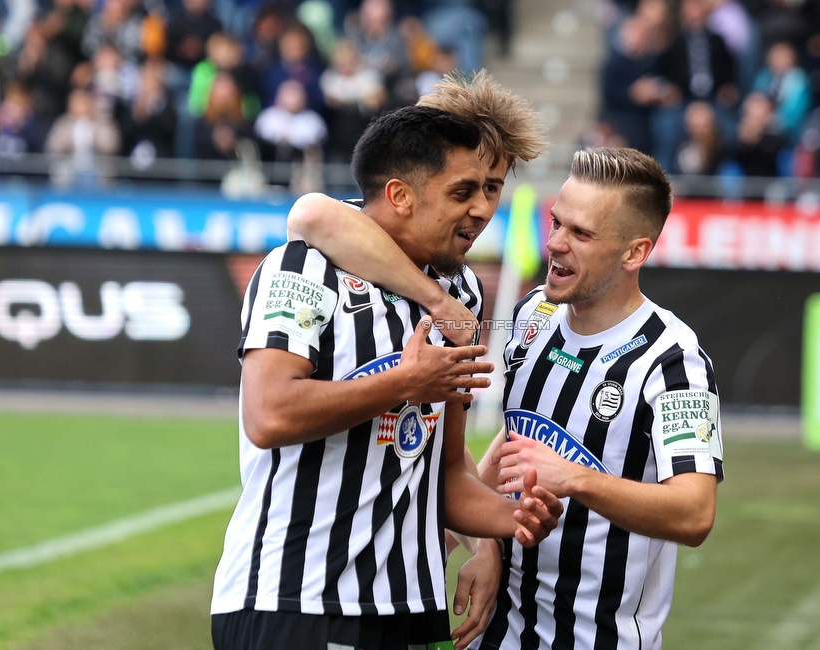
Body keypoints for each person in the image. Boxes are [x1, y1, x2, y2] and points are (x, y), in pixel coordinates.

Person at [292, 147, 725, 650]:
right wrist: (479, 544)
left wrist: (579, 479)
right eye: (557, 223)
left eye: (580, 234)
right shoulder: (531, 317)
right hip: (492, 635)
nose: (556, 244)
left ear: (635, 253)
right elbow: (513, 444)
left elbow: (694, 514)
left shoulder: (675, 361)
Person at [211, 105, 562, 650]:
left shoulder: (461, 293)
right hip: (299, 600)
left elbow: (442, 476)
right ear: (400, 195)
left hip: (408, 609)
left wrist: (511, 519)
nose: (482, 210)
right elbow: (269, 413)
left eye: (491, 190)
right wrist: (403, 381)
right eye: (464, 191)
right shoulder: (303, 269)